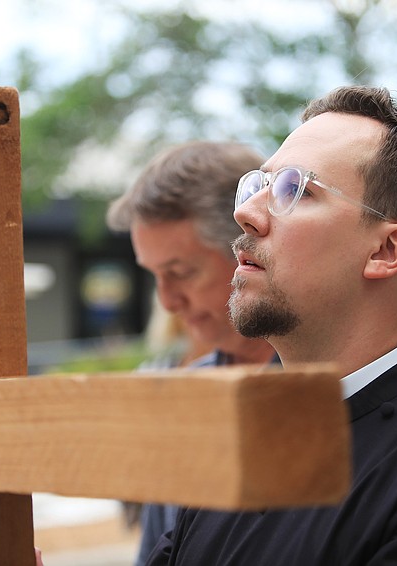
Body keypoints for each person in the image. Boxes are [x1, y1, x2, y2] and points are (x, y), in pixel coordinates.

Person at [145, 86, 397, 564]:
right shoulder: (236, 446)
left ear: (386, 251)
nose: (246, 214)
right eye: (259, 185)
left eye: (295, 189)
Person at [106, 141, 278, 566]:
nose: (167, 302)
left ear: (249, 252)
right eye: (155, 277)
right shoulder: (180, 399)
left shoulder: (339, 388)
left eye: (181, 273)